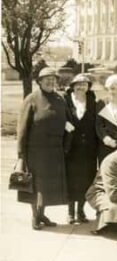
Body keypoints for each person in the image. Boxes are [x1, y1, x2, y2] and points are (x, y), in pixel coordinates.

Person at [15, 67, 69, 230]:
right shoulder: (31, 99)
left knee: (47, 187)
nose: (51, 81)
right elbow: (22, 129)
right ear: (39, 81)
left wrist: (66, 146)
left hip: (55, 151)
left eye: (53, 79)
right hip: (36, 151)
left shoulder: (60, 100)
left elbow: (68, 122)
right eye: (47, 79)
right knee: (36, 185)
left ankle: (42, 214)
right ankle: (35, 217)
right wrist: (21, 155)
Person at [64, 73, 98, 225]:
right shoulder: (65, 101)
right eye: (78, 84)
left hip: (89, 149)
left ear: (88, 87)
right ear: (72, 86)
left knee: (86, 179)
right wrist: (64, 125)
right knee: (71, 179)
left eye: (84, 84)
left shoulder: (92, 102)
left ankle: (81, 211)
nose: (81, 87)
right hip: (71, 148)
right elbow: (59, 118)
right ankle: (71, 212)